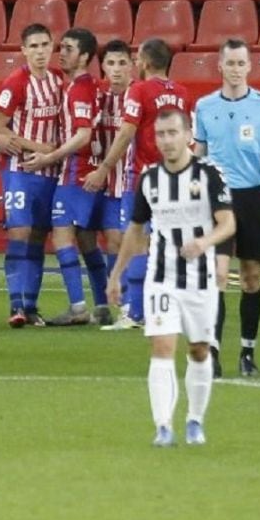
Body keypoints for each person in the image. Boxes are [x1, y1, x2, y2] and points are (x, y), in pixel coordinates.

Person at [106, 109, 236, 447]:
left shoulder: (209, 174)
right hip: (161, 277)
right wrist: (116, 275)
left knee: (199, 350)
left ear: (188, 134)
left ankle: (195, 420)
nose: (165, 140)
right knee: (162, 346)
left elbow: (228, 223)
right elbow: (134, 231)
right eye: (160, 134)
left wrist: (205, 242)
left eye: (172, 133)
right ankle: (163, 426)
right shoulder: (149, 180)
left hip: (200, 278)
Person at [192, 38, 260, 378]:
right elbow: (199, 152)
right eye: (230, 63)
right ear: (219, 66)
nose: (235, 70)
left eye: (241, 63)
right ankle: (214, 353)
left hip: (252, 197)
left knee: (251, 276)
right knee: (218, 275)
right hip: (217, 198)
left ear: (250, 67)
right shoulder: (205, 107)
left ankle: (247, 353)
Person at [84, 38, 190, 331]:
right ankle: (172, 310)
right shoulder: (181, 93)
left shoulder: (139, 90)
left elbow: (127, 132)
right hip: (174, 176)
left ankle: (135, 312)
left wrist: (105, 167)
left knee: (137, 242)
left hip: (144, 177)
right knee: (169, 244)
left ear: (143, 61)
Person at [21, 27, 109, 325]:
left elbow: (83, 135)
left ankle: (78, 306)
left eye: (69, 48)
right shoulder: (93, 85)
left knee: (61, 237)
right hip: (90, 173)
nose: (62, 53)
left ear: (85, 56)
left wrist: (49, 157)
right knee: (86, 240)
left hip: (75, 174)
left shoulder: (80, 89)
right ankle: (103, 305)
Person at [0, 23, 63, 327]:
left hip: (49, 172)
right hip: (20, 171)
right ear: (23, 50)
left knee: (37, 237)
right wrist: (37, 146)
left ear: (52, 47)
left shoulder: (59, 81)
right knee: (19, 232)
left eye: (44, 45)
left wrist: (51, 152)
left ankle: (31, 306)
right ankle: (15, 305)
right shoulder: (16, 83)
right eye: (33, 46)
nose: (40, 51)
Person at [94, 40, 135, 307]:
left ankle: (135, 300)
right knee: (112, 241)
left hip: (133, 181)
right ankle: (118, 300)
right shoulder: (98, 98)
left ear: (132, 66)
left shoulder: (138, 95)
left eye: (122, 63)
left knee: (131, 240)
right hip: (107, 183)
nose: (116, 69)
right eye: (110, 63)